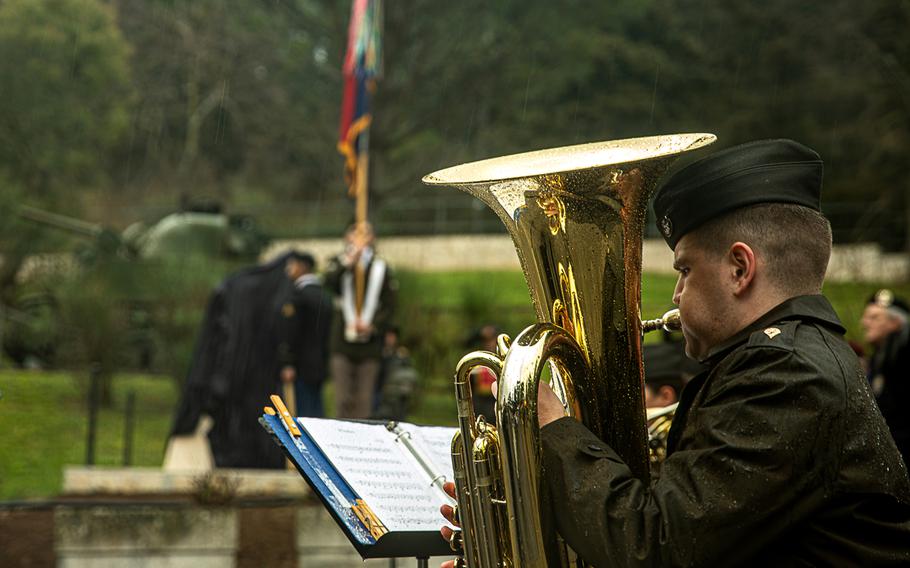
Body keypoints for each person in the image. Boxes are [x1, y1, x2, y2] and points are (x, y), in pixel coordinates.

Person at [441, 139, 910, 566]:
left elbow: (654, 547)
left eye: (684, 269)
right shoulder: (783, 363)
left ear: (740, 268)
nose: (676, 295)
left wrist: (552, 428)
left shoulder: (787, 374)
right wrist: (520, 517)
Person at [324, 221, 397, 419]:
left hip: (370, 344)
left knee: (364, 401)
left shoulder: (381, 268)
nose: (360, 237)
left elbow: (390, 305)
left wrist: (373, 326)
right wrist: (349, 262)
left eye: (366, 233)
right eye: (356, 232)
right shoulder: (338, 262)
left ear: (372, 238)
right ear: (348, 236)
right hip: (342, 341)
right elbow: (328, 284)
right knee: (342, 399)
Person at [277, 251, 333, 418]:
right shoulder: (325, 296)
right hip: (320, 364)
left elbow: (291, 333)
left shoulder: (297, 296)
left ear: (302, 267)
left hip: (300, 365)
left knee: (301, 416)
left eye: (292, 266)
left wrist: (287, 362)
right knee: (317, 414)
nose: (289, 270)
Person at [862, 289, 910, 462]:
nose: (864, 323)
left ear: (896, 322)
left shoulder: (902, 357)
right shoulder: (880, 356)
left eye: (874, 317)